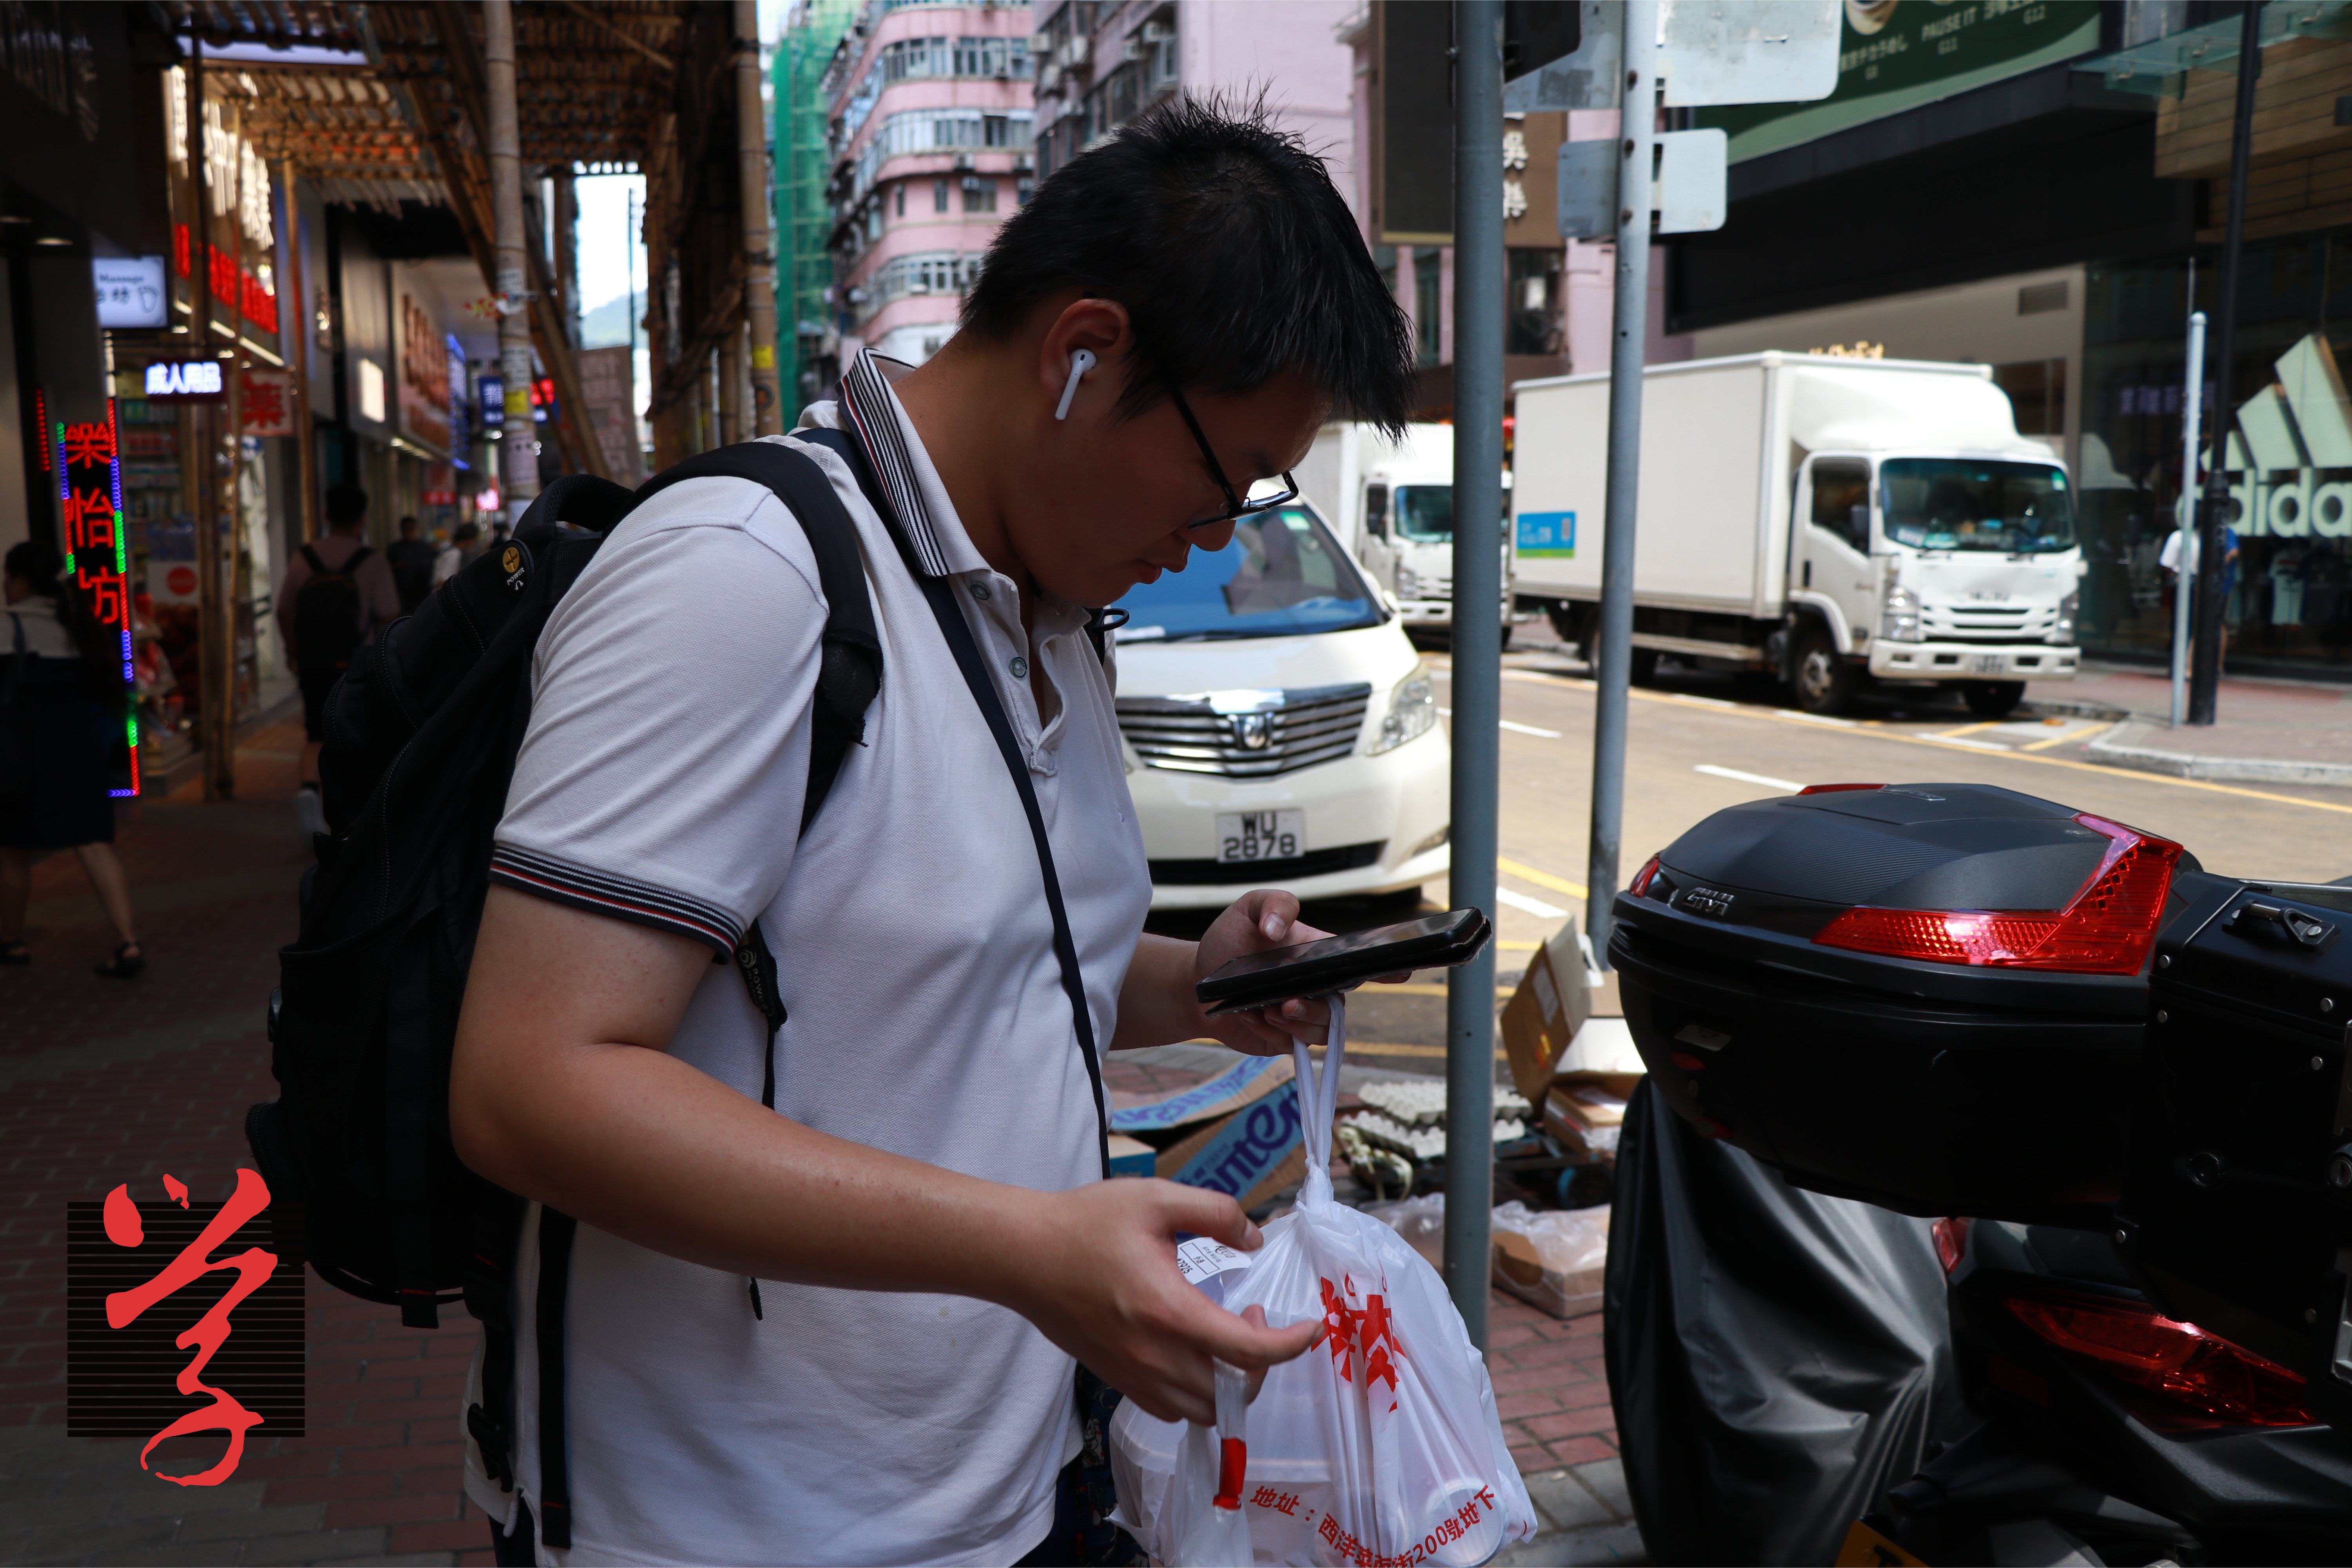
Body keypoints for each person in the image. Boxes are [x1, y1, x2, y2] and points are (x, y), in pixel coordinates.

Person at [448, 98, 1416, 1566]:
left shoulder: (1043, 601)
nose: (1220, 536)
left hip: (1017, 1491)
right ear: (1083, 354)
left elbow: (955, 959)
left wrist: (1199, 974)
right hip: (735, 1531)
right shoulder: (743, 576)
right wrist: (1031, 1247)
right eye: (1230, 481)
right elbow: (531, 1084)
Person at [0, 540, 144, 976]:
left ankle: (12, 943)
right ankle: (128, 943)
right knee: (95, 846)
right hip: (81, 754)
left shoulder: (7, 628)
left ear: (22, 581)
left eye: (8, 577)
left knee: (12, 850)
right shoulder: (79, 625)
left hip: (26, 759)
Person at [278, 485, 398, 838]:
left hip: (314, 662)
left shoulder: (304, 558)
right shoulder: (372, 561)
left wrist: (293, 651)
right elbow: (389, 615)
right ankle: (348, 812)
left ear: (327, 516)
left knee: (315, 732)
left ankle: (308, 790)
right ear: (362, 519)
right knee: (353, 734)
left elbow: (284, 611)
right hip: (355, 667)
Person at [2161, 515, 2241, 665]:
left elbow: (2167, 563)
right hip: (2200, 583)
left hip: (2197, 583)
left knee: (2191, 624)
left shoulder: (2185, 537)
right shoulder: (2202, 537)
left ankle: (2190, 665)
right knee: (2196, 625)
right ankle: (2191, 665)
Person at [387, 513, 439, 613]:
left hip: (421, 594)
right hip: (402, 595)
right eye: (406, 528)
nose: (408, 531)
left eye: (411, 528)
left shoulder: (424, 547)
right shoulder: (395, 549)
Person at [432, 521, 480, 590]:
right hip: (442, 597)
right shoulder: (455, 553)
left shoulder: (447, 547)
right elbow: (443, 580)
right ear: (470, 540)